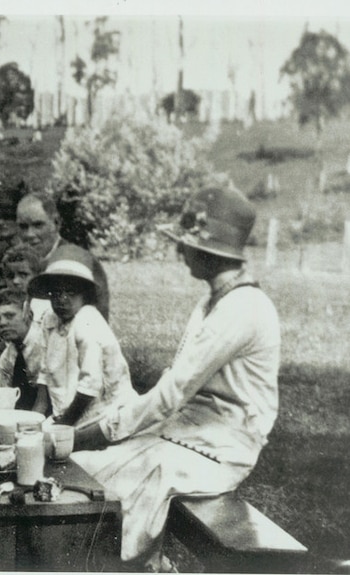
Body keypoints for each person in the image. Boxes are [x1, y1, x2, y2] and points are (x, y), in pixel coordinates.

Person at [70, 187, 280, 572]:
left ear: (209, 251)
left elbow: (169, 395)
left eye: (184, 244)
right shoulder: (212, 301)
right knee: (86, 471)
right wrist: (89, 440)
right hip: (185, 434)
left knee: (123, 489)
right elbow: (173, 388)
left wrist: (84, 433)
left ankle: (135, 566)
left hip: (221, 449)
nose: (178, 252)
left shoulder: (243, 307)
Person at [27, 245, 136, 421]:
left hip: (106, 411)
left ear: (85, 295)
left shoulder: (87, 321)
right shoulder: (51, 319)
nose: (62, 300)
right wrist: (35, 416)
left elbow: (90, 384)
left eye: (70, 293)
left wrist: (65, 424)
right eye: (55, 293)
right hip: (67, 410)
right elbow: (45, 371)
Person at [15, 192, 110, 320]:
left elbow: (97, 319)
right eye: (23, 227)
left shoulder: (79, 260)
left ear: (57, 223)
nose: (29, 234)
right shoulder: (17, 257)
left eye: (38, 225)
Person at [0, 289, 45, 412]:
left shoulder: (45, 346)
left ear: (28, 315)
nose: (2, 323)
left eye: (10, 316)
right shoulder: (7, 357)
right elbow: (3, 399)